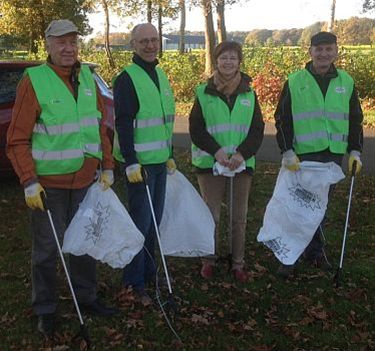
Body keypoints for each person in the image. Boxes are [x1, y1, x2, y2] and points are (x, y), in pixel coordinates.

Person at [6, 19, 118, 337]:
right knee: (46, 250)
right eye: (61, 42)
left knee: (84, 244)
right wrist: (29, 181)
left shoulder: (86, 79)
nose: (68, 48)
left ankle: (87, 297)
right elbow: (16, 139)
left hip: (86, 183)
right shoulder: (35, 81)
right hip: (48, 187)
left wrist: (107, 166)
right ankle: (45, 309)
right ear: (48, 46)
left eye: (73, 42)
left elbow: (99, 128)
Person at [274, 31, 364, 278]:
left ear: (336, 50)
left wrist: (355, 150)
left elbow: (356, 119)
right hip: (303, 157)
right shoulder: (295, 81)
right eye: (319, 49)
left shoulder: (346, 81)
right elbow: (282, 119)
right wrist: (287, 151)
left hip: (333, 156)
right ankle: (289, 256)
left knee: (320, 206)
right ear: (310, 51)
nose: (323, 54)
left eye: (328, 49)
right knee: (298, 206)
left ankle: (314, 252)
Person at [189, 41, 265, 283]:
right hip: (211, 163)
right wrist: (217, 151)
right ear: (216, 61)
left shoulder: (249, 94)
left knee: (238, 217)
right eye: (223, 58)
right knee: (211, 215)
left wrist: (242, 153)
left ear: (239, 61)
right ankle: (208, 260)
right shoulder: (203, 91)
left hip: (241, 164)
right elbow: (196, 128)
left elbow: (257, 129)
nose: (228, 62)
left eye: (233, 58)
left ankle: (238, 262)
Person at [113, 23, 176, 304]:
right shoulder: (127, 78)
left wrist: (169, 152)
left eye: (154, 40)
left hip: (160, 162)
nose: (150, 46)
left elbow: (163, 121)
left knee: (154, 222)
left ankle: (149, 272)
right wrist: (130, 161)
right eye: (143, 41)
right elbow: (124, 122)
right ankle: (133, 281)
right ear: (133, 45)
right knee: (139, 223)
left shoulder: (160, 74)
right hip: (140, 166)